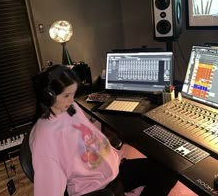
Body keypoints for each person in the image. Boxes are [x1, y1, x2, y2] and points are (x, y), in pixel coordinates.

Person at [29, 64, 177, 196]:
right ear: (48, 97)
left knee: (169, 171)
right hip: (95, 189)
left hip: (115, 169)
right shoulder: (45, 139)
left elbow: (84, 128)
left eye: (73, 94)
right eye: (67, 95)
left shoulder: (69, 108)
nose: (71, 100)